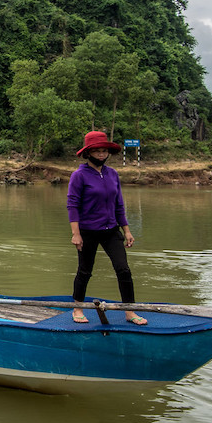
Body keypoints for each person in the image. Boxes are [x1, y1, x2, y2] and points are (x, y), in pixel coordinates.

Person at [67, 131, 146, 325]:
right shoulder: (79, 176)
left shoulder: (112, 174)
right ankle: (77, 308)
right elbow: (72, 205)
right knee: (85, 271)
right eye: (97, 151)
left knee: (123, 269)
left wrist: (126, 230)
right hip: (87, 231)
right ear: (89, 153)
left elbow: (119, 204)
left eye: (104, 151)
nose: (102, 154)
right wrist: (76, 234)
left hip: (111, 230)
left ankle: (129, 311)